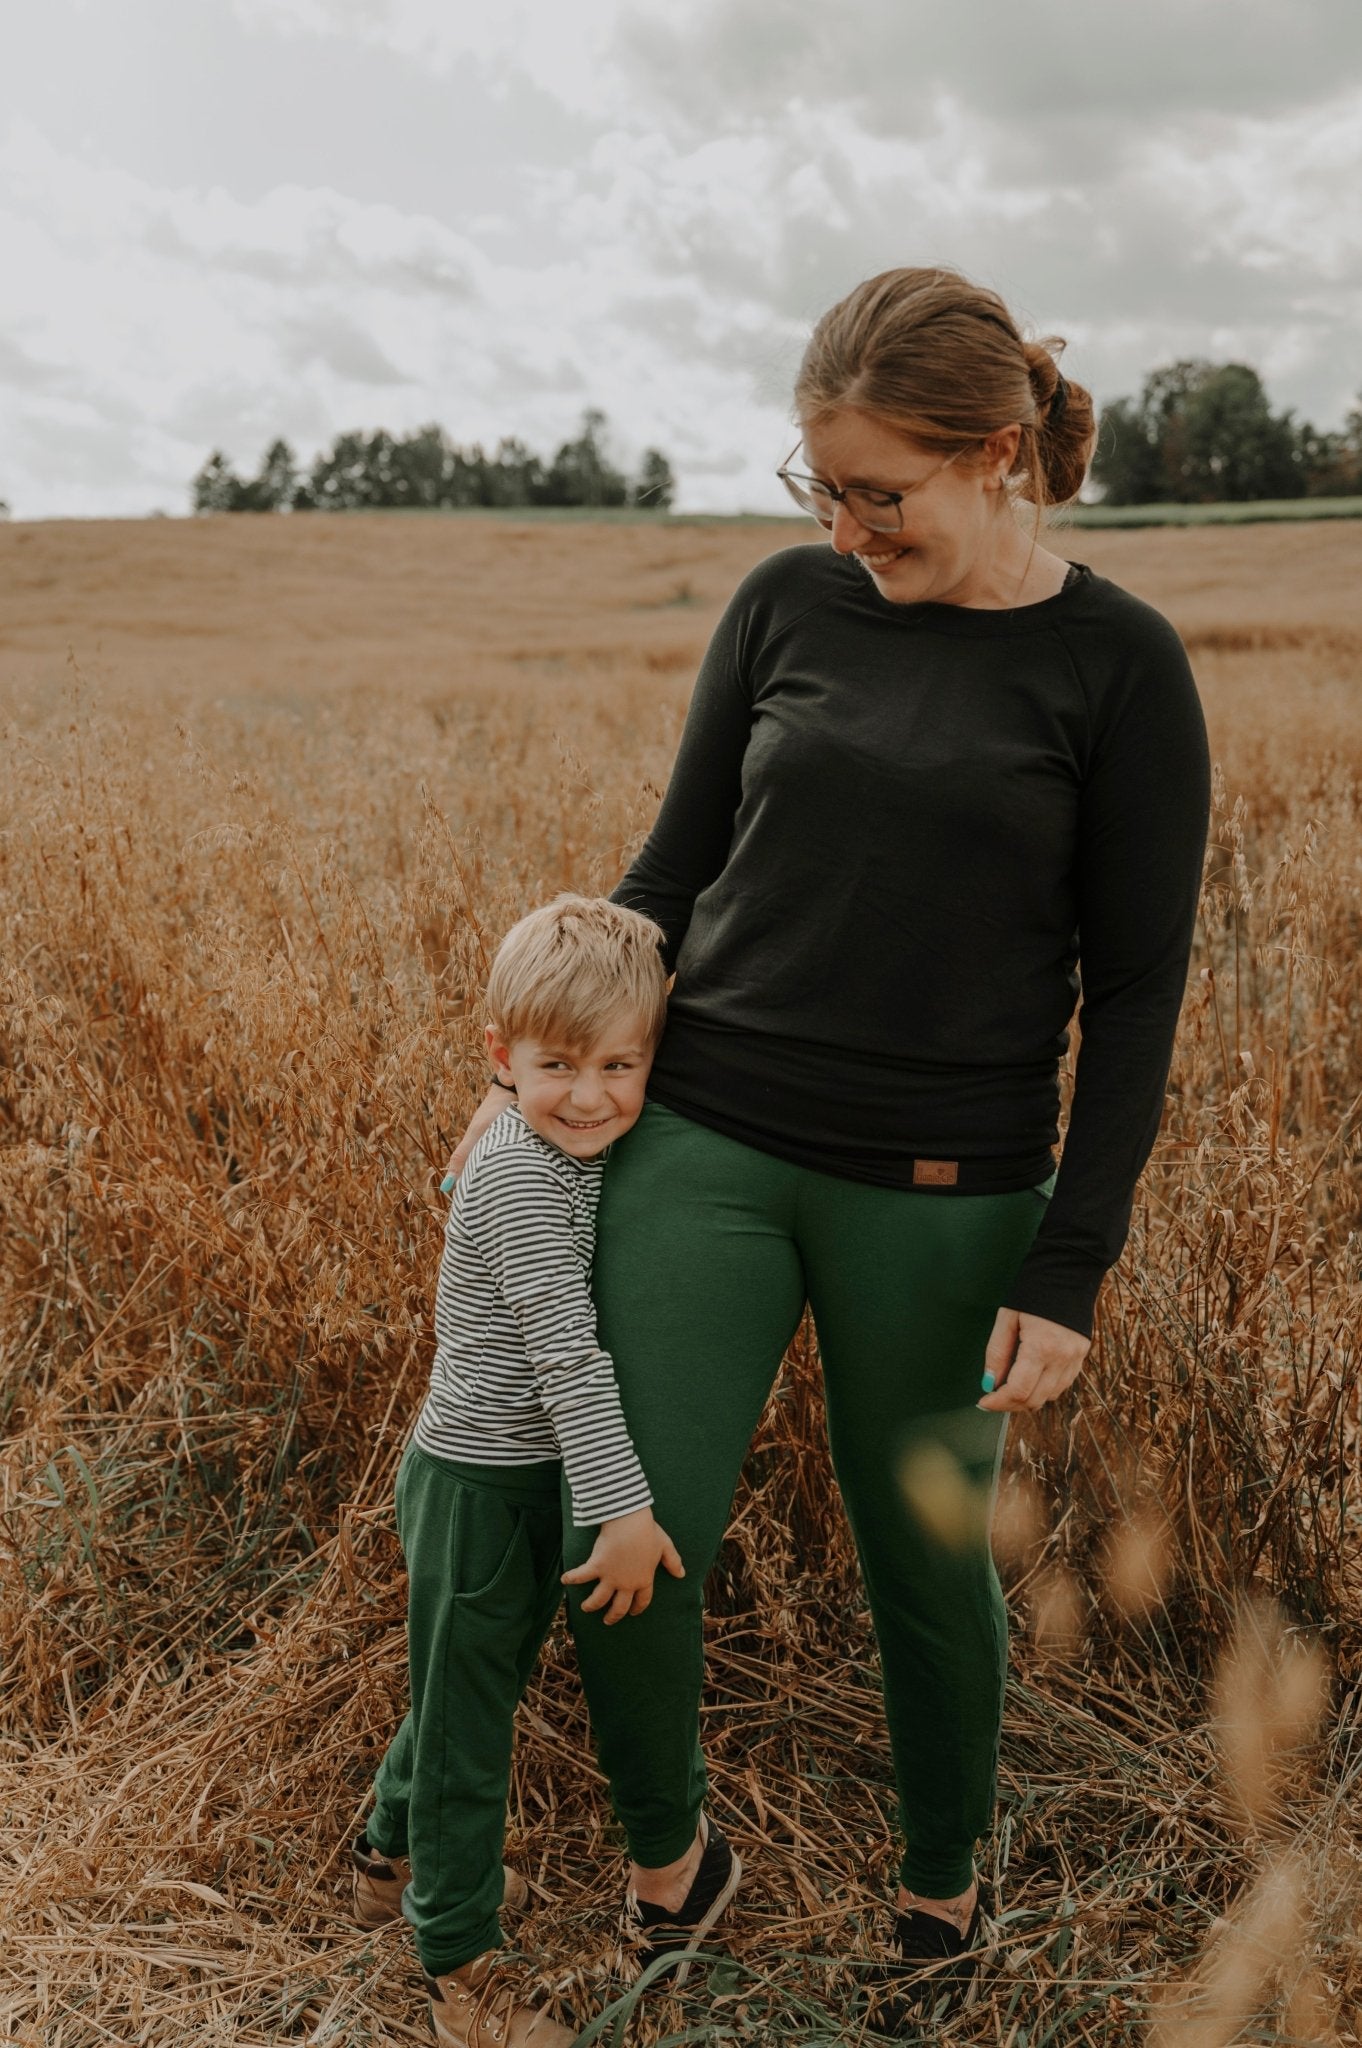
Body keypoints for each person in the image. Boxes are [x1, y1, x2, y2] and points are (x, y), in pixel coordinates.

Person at [451, 265, 1211, 2021]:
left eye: (880, 491)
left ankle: (941, 1895)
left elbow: (1138, 995)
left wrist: (1070, 1262)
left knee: (926, 1566)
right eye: (821, 486)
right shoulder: (786, 602)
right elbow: (671, 872)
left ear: (997, 453)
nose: (845, 528)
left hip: (947, 1196)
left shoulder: (1116, 666)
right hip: (703, 1141)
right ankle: (672, 1860)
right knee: (626, 1517)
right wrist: (525, 1098)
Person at [353, 895, 702, 2048]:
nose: (590, 1094)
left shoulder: (567, 1144)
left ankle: (385, 1858)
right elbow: (564, 1350)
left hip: (512, 1476)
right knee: (468, 1729)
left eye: (619, 1064)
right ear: (501, 1056)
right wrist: (622, 1507)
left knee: (463, 1684)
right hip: (477, 1484)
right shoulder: (515, 1171)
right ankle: (460, 1966)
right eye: (558, 1064)